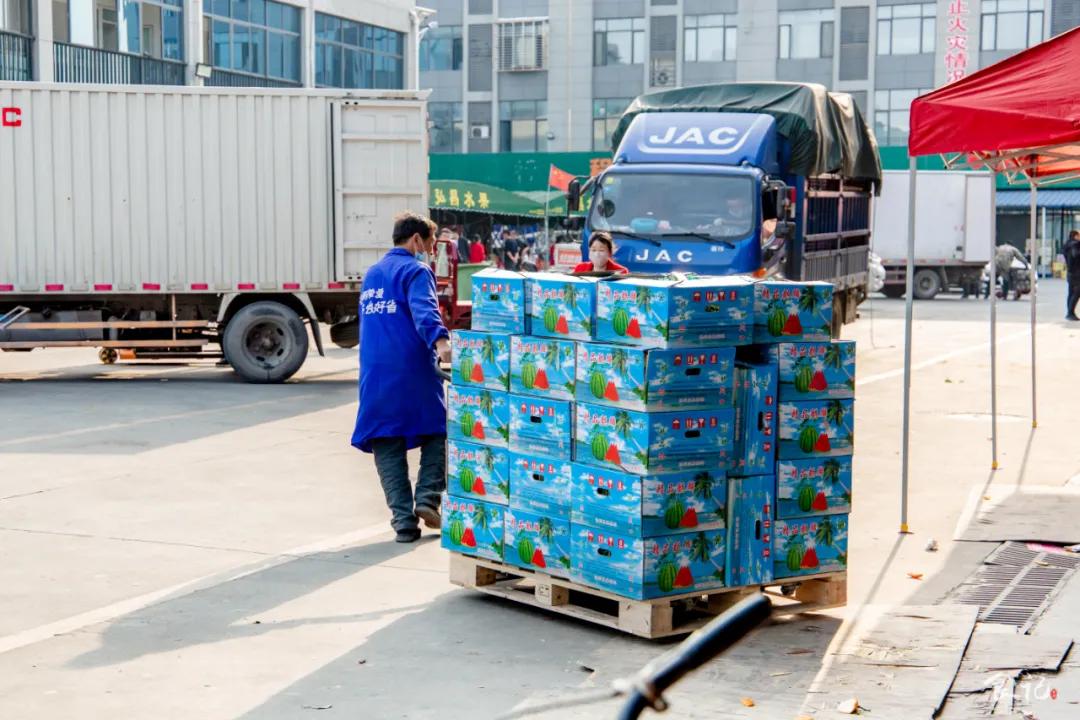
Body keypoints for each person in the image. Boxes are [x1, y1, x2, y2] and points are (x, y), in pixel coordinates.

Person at [351, 211, 451, 543]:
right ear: (416, 240)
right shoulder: (416, 269)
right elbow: (425, 310)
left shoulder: (372, 274)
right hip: (411, 369)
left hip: (374, 372)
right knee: (440, 430)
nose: (431, 250)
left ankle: (403, 522)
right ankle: (427, 497)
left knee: (386, 441)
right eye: (431, 243)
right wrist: (442, 343)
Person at [1065, 230, 1080, 320]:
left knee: (1071, 293)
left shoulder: (1067, 245)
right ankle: (1070, 313)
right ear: (1075, 236)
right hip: (1076, 273)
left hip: (1070, 272)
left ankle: (1069, 312)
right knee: (1077, 292)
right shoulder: (1075, 244)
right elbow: (1076, 255)